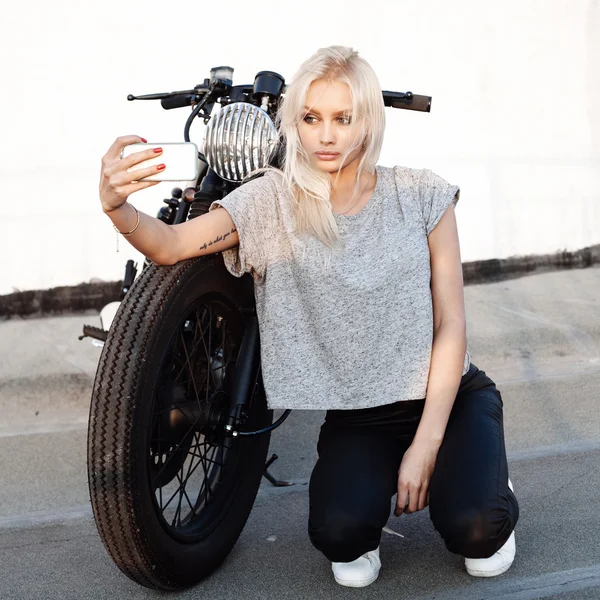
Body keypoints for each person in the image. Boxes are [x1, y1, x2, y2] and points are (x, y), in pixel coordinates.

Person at [99, 45, 519, 588]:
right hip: (359, 413)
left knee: (478, 534)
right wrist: (115, 206)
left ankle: (489, 489)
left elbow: (450, 327)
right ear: (293, 122)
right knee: (341, 543)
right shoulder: (274, 201)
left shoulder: (419, 193)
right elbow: (172, 245)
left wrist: (426, 444)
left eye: (342, 119)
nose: (326, 136)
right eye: (311, 118)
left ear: (367, 122)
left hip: (449, 400)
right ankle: (394, 487)